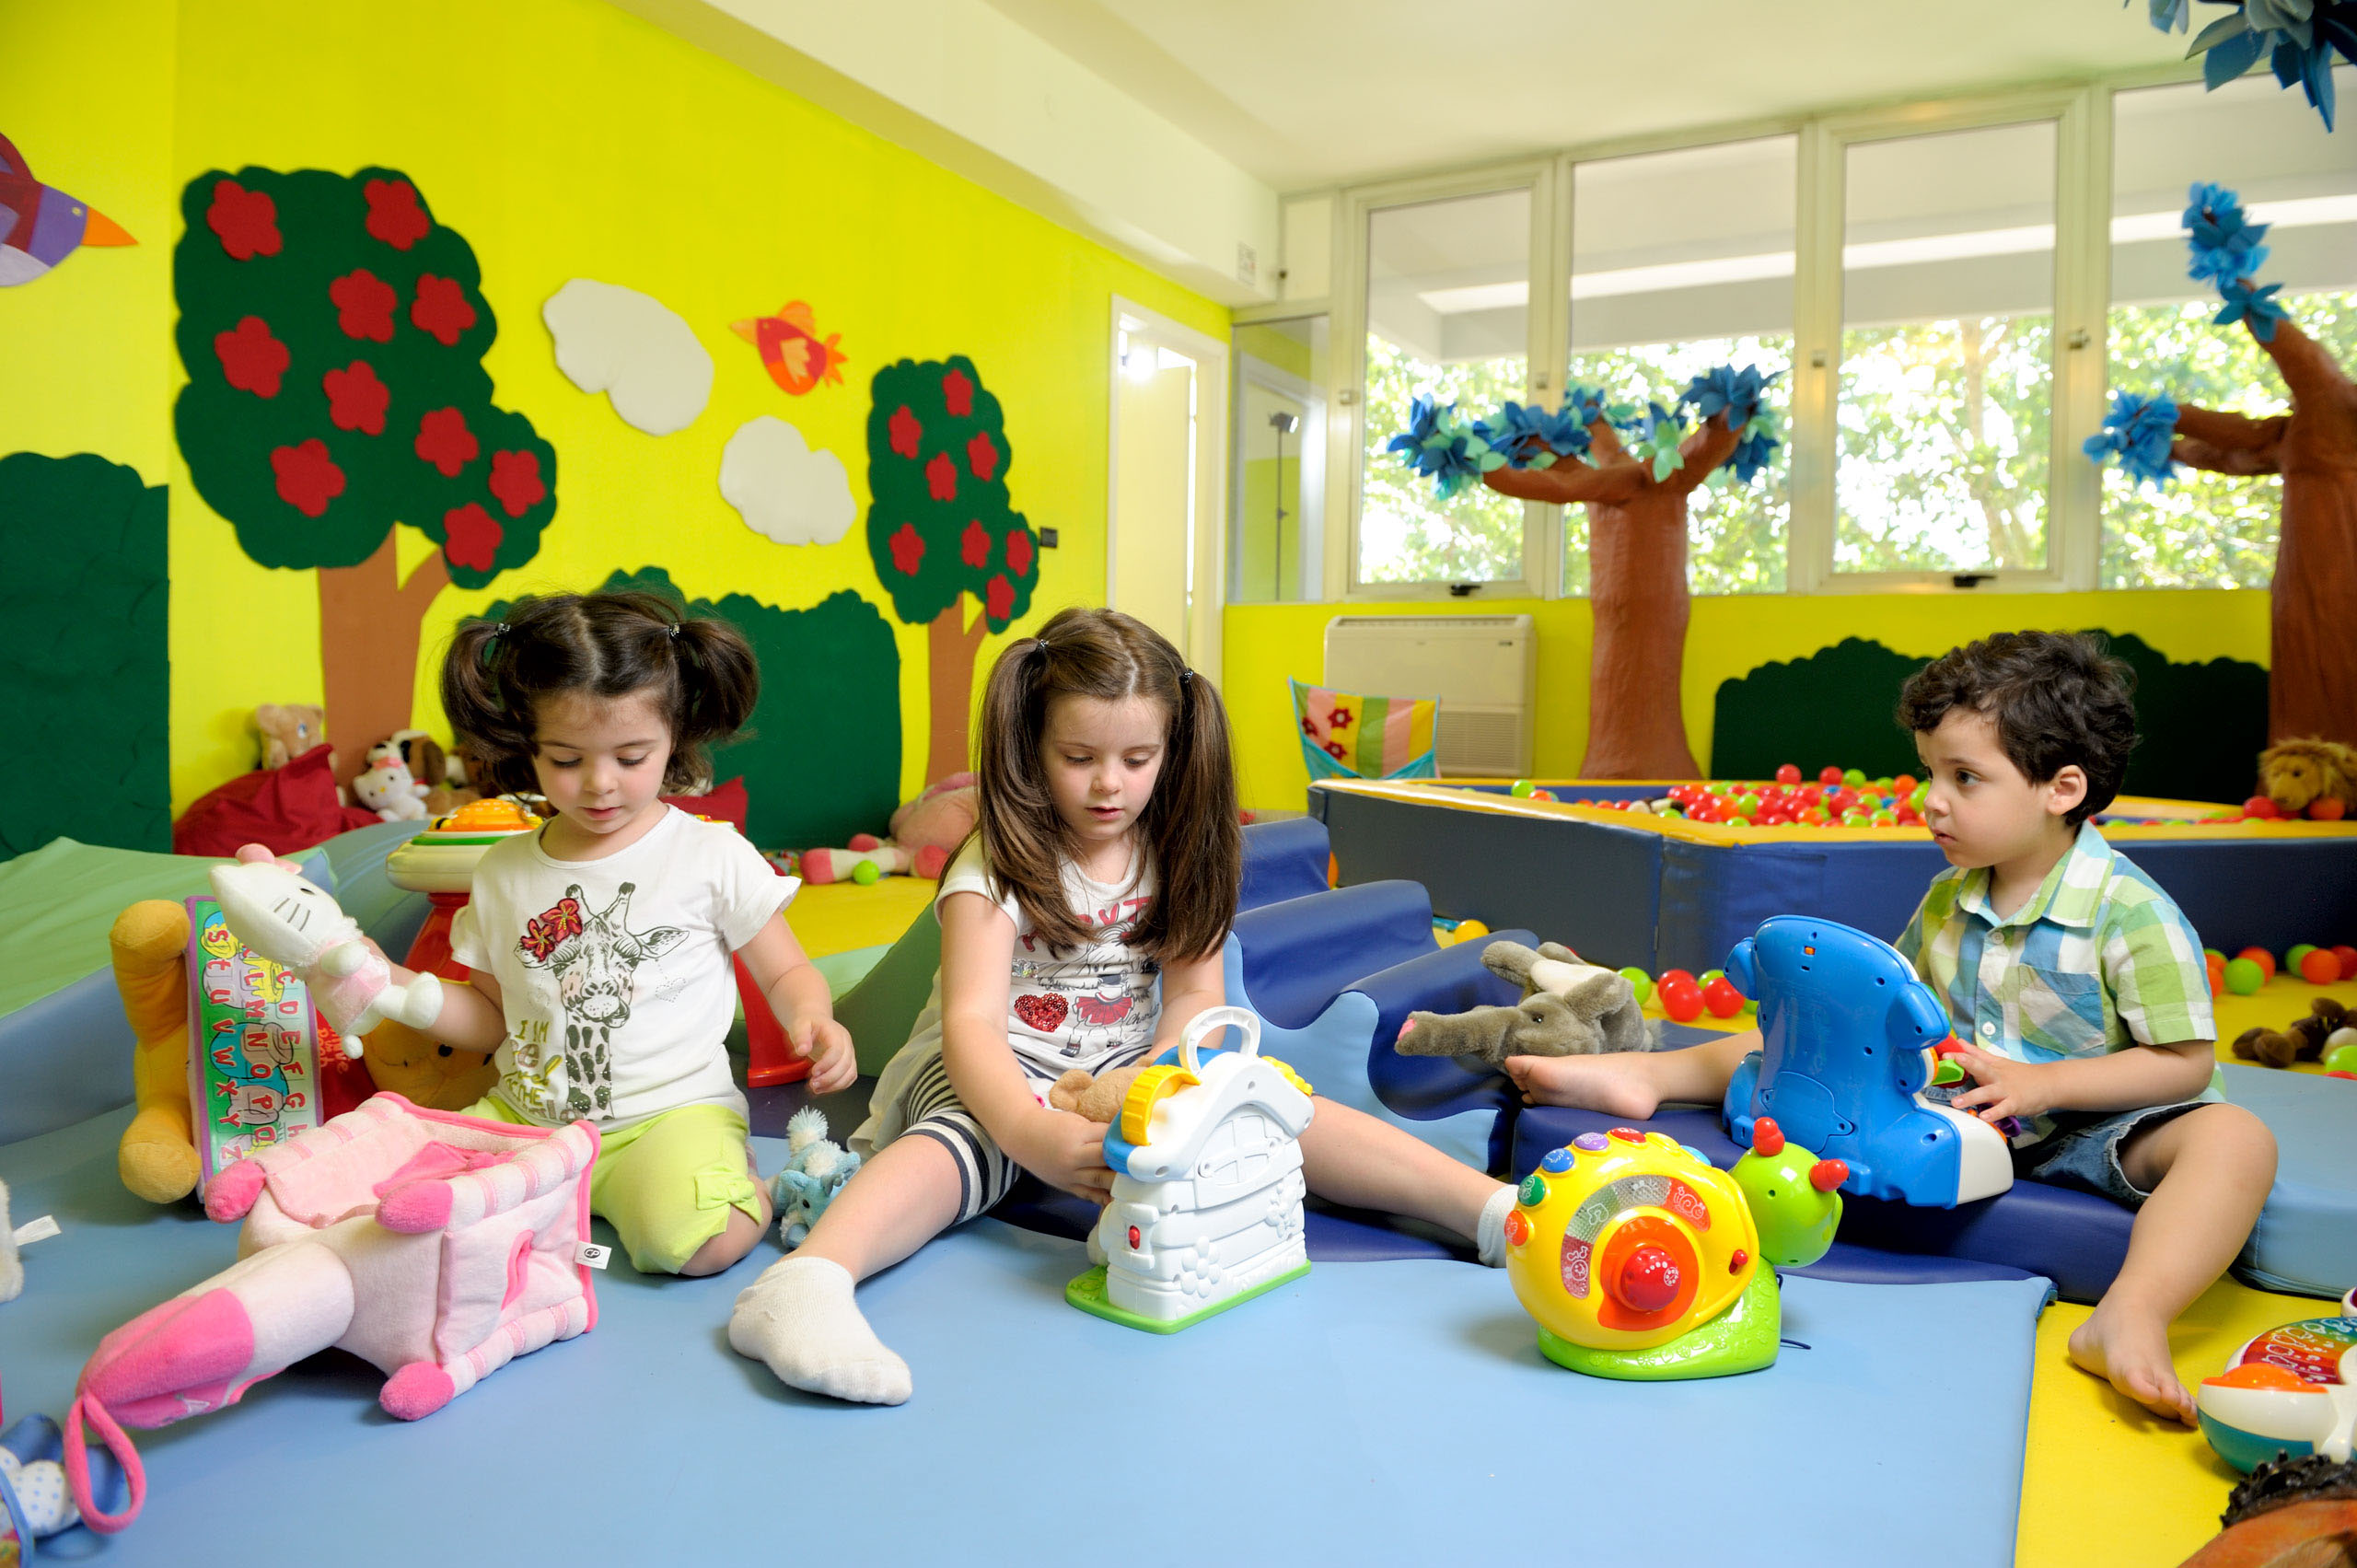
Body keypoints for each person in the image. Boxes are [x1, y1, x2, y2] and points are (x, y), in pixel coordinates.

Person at [727, 607, 1518, 1405]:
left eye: (1138, 759)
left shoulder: (1175, 852)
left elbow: (1197, 992)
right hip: (997, 1067)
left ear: (1171, 750)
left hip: (1127, 1062)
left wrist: (1164, 1080)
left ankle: (1491, 1211)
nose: (1110, 783)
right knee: (957, 1146)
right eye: (1079, 757)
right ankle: (808, 1280)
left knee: (1274, 1105)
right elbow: (970, 1023)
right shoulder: (993, 865)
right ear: (1032, 748)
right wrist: (1028, 1129)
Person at [1507, 631, 2277, 1424]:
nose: (1932, 800)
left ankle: (2131, 1313)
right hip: (1960, 1105)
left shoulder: (2131, 912)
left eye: (1964, 777)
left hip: (2098, 1124)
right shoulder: (1950, 896)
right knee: (1794, 1040)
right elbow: (1893, 1016)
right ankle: (1649, 1075)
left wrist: (2045, 1084)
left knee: (2236, 1138)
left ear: (2062, 788)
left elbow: (2184, 1062)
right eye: (1931, 773)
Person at [381, 589, 855, 1277]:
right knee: (407, 1217)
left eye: (631, 757)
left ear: (675, 738)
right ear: (528, 744)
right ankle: (573, 1210)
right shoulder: (502, 871)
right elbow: (488, 1018)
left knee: (691, 1244)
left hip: (668, 1120)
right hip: (529, 1124)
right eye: (566, 760)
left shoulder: (709, 855)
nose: (600, 784)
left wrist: (814, 1018)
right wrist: (392, 986)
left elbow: (786, 971)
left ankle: (738, 1187)